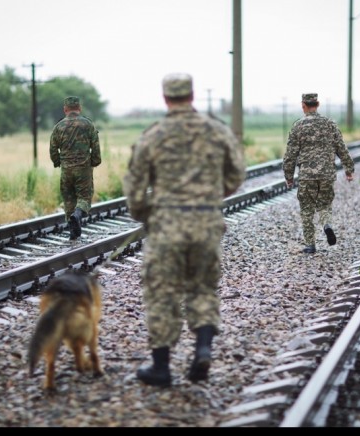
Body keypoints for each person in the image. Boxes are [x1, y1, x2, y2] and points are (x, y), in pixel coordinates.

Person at [123, 73, 246, 387]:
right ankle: (202, 349)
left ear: (165, 98)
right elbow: (236, 174)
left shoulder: (153, 136)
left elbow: (135, 191)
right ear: (192, 95)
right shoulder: (216, 131)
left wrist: (146, 215)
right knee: (202, 287)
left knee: (162, 292)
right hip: (206, 225)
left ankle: (161, 367)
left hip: (167, 227)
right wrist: (210, 197)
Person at [283, 93, 355, 254]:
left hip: (307, 175)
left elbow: (290, 155)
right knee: (324, 205)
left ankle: (310, 244)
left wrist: (288, 176)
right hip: (327, 174)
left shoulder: (298, 126)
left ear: (303, 105)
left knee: (307, 209)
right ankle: (327, 224)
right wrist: (348, 170)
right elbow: (341, 148)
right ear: (318, 104)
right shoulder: (330, 124)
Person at [50, 96, 102, 240]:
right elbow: (95, 147)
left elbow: (53, 149)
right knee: (84, 197)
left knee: (68, 199)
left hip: (66, 170)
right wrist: (94, 161)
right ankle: (78, 215)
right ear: (79, 108)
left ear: (65, 109)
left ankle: (73, 231)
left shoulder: (58, 127)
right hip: (83, 169)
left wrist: (57, 163)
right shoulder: (88, 124)